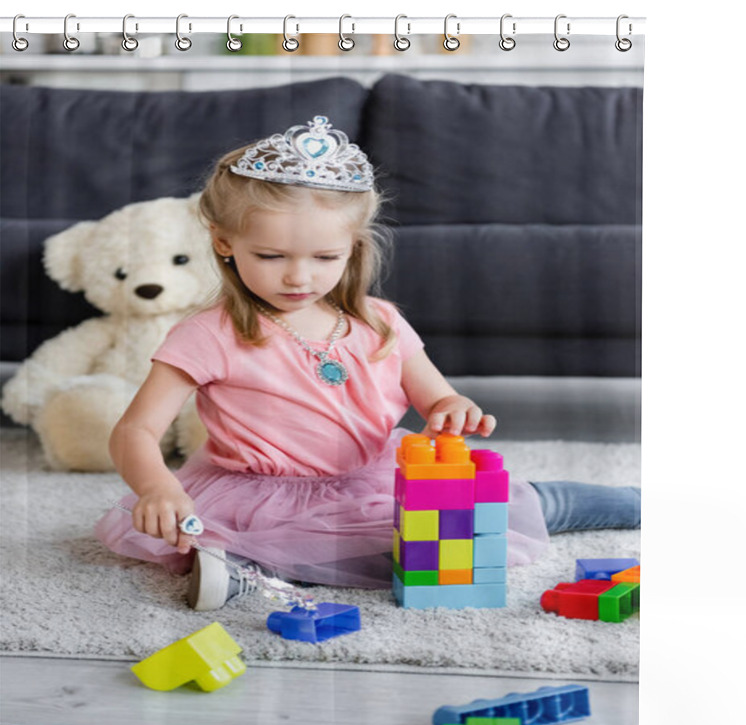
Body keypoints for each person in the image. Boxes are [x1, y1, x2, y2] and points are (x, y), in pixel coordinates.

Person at [95, 116, 639, 611]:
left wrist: (454, 410)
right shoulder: (208, 333)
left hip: (376, 478)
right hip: (262, 495)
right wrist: (158, 488)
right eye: (271, 256)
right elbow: (135, 431)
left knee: (476, 518)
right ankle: (241, 568)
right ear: (224, 243)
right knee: (236, 536)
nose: (298, 277)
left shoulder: (379, 321)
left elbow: (438, 398)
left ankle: (633, 501)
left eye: (324, 258)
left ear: (352, 248)